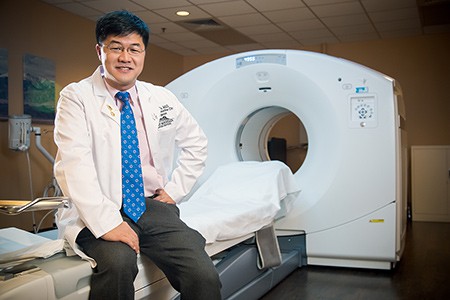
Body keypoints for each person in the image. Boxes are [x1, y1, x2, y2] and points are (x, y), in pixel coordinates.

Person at [53, 10, 221, 300]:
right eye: (116, 47)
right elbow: (74, 165)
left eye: (134, 49)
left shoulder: (161, 98)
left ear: (144, 53)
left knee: (202, 273)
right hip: (96, 205)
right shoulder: (76, 97)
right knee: (118, 264)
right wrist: (108, 223)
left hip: (152, 206)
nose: (125, 57)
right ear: (100, 51)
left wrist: (174, 191)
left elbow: (197, 144)